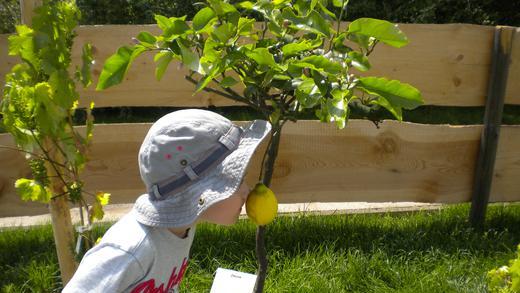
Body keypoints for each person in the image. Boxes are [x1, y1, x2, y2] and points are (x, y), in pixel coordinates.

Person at [63, 109, 271, 292]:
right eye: (237, 180)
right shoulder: (131, 249)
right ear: (198, 192)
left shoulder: (181, 228)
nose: (247, 190)